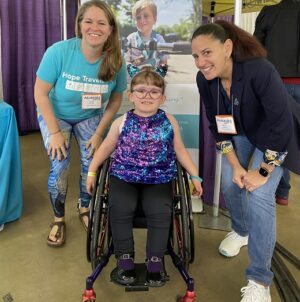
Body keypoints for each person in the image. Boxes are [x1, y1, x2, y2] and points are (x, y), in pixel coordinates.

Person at [191, 21, 300, 302]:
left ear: (227, 48)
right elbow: (217, 124)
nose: (201, 62)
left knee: (261, 193)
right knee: (231, 181)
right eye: (195, 56)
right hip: (239, 132)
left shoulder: (259, 70)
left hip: (272, 137)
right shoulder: (205, 79)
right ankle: (241, 231)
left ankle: (259, 280)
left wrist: (263, 171)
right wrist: (237, 166)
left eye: (207, 53)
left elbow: (282, 127)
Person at [86, 65, 202, 286]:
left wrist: (195, 177)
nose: (147, 96)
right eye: (140, 91)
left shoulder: (169, 121)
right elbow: (105, 148)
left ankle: (155, 263)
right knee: (120, 209)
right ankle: (125, 262)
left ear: (162, 97)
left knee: (159, 212)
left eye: (154, 92)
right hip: (124, 176)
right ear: (131, 95)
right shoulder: (121, 122)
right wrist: (92, 171)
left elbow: (180, 150)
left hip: (159, 178)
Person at [34, 0, 127, 247]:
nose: (94, 27)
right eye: (88, 21)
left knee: (91, 164)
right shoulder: (59, 52)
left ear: (110, 29)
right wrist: (54, 132)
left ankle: (84, 208)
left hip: (90, 117)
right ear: (79, 25)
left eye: (101, 23)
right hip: (56, 115)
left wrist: (99, 133)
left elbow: (116, 100)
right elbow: (40, 93)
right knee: (60, 166)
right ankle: (58, 218)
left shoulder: (116, 60)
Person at [254, 0, 300, 206]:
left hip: (276, 82)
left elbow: (255, 48)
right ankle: (282, 190)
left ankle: (281, 190)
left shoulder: (270, 12)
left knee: (278, 138)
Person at [124, 0, 169, 68]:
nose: (142, 20)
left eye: (146, 16)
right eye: (138, 17)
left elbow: (164, 62)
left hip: (154, 77)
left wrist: (160, 75)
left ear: (154, 19)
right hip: (134, 77)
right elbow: (126, 61)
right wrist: (132, 71)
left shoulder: (159, 39)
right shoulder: (130, 38)